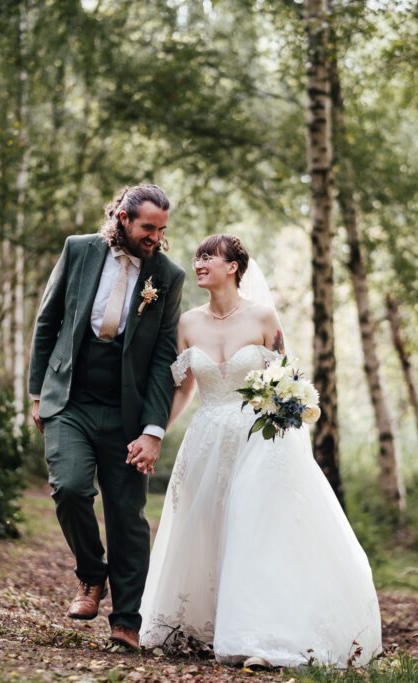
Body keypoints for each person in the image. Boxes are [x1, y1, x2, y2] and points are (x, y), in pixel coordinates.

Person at [136, 234, 382, 668]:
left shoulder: (264, 318)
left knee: (253, 528)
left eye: (209, 256)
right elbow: (184, 389)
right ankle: (204, 621)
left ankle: (261, 632)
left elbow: (288, 385)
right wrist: (153, 434)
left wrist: (289, 416)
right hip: (207, 439)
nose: (198, 263)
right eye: (197, 257)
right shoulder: (188, 323)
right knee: (208, 527)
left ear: (233, 267)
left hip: (260, 443)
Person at [27, 184, 185, 650]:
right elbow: (47, 321)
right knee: (70, 487)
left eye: (161, 230)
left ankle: (127, 622)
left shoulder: (168, 276)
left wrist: (153, 430)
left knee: (126, 515)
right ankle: (92, 576)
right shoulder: (78, 251)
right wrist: (38, 393)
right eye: (147, 228)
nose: (155, 237)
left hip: (127, 413)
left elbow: (162, 357)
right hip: (69, 398)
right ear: (122, 219)